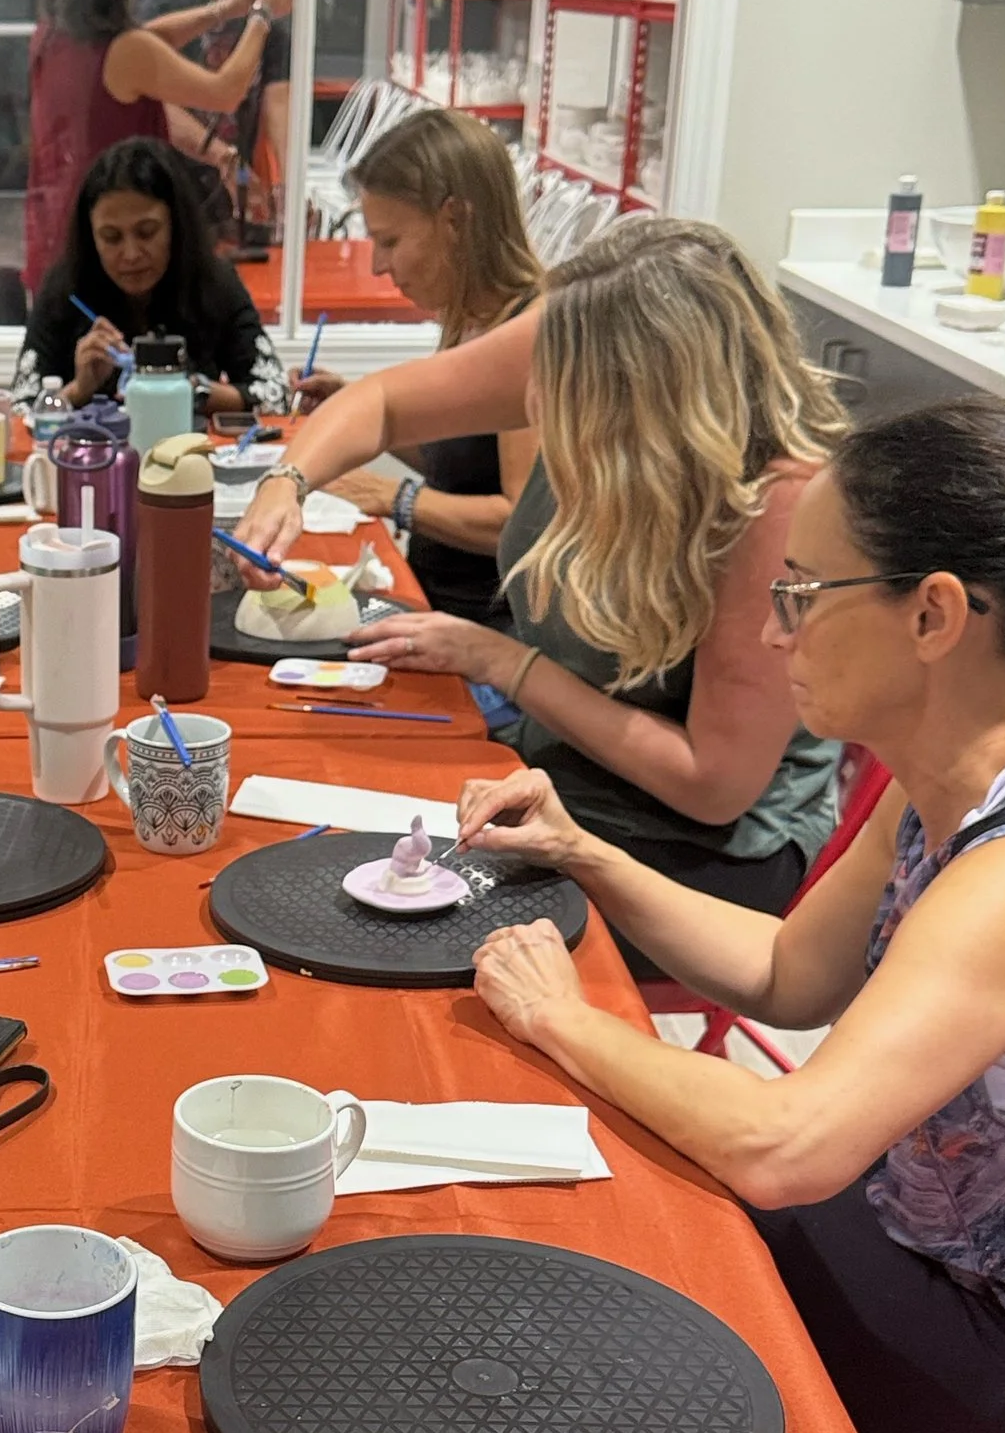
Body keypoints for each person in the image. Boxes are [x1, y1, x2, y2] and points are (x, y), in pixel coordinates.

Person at [458, 401, 1005, 1433]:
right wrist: (582, 852)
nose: (776, 631)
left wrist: (559, 1018)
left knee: (629, 1229)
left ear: (932, 615)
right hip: (950, 1264)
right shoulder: (955, 780)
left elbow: (787, 1149)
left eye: (802, 594)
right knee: (631, 1176)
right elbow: (791, 973)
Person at [245, 219, 847, 936]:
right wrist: (286, 483)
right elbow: (384, 402)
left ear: (653, 406)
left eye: (567, 399)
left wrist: (503, 660)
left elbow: (711, 785)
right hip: (558, 767)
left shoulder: (776, 510)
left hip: (700, 853)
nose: (537, 408)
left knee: (390, 914)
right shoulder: (575, 342)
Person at [298, 108, 544, 624]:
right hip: (438, 606)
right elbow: (463, 468)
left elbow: (518, 519)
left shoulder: (528, 335)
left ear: (455, 220)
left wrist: (393, 497)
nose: (377, 265)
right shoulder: (467, 317)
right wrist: (369, 420)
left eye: (389, 241)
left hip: (492, 637)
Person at [23, 0, 290, 291]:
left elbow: (151, 40)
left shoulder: (51, 37)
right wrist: (262, 15)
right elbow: (226, 92)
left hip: (62, 227)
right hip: (112, 241)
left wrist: (223, 11)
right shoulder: (126, 52)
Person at [16, 139, 285, 420]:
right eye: (111, 238)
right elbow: (20, 408)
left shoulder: (213, 283)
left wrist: (190, 390)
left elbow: (275, 394)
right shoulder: (65, 291)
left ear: (175, 227)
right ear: (90, 238)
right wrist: (78, 390)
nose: (131, 254)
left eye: (146, 232)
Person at [135, 0, 296, 238]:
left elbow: (278, 99)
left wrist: (290, 181)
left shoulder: (272, 11)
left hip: (228, 193)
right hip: (163, 184)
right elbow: (153, 104)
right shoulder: (169, 2)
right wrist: (221, 155)